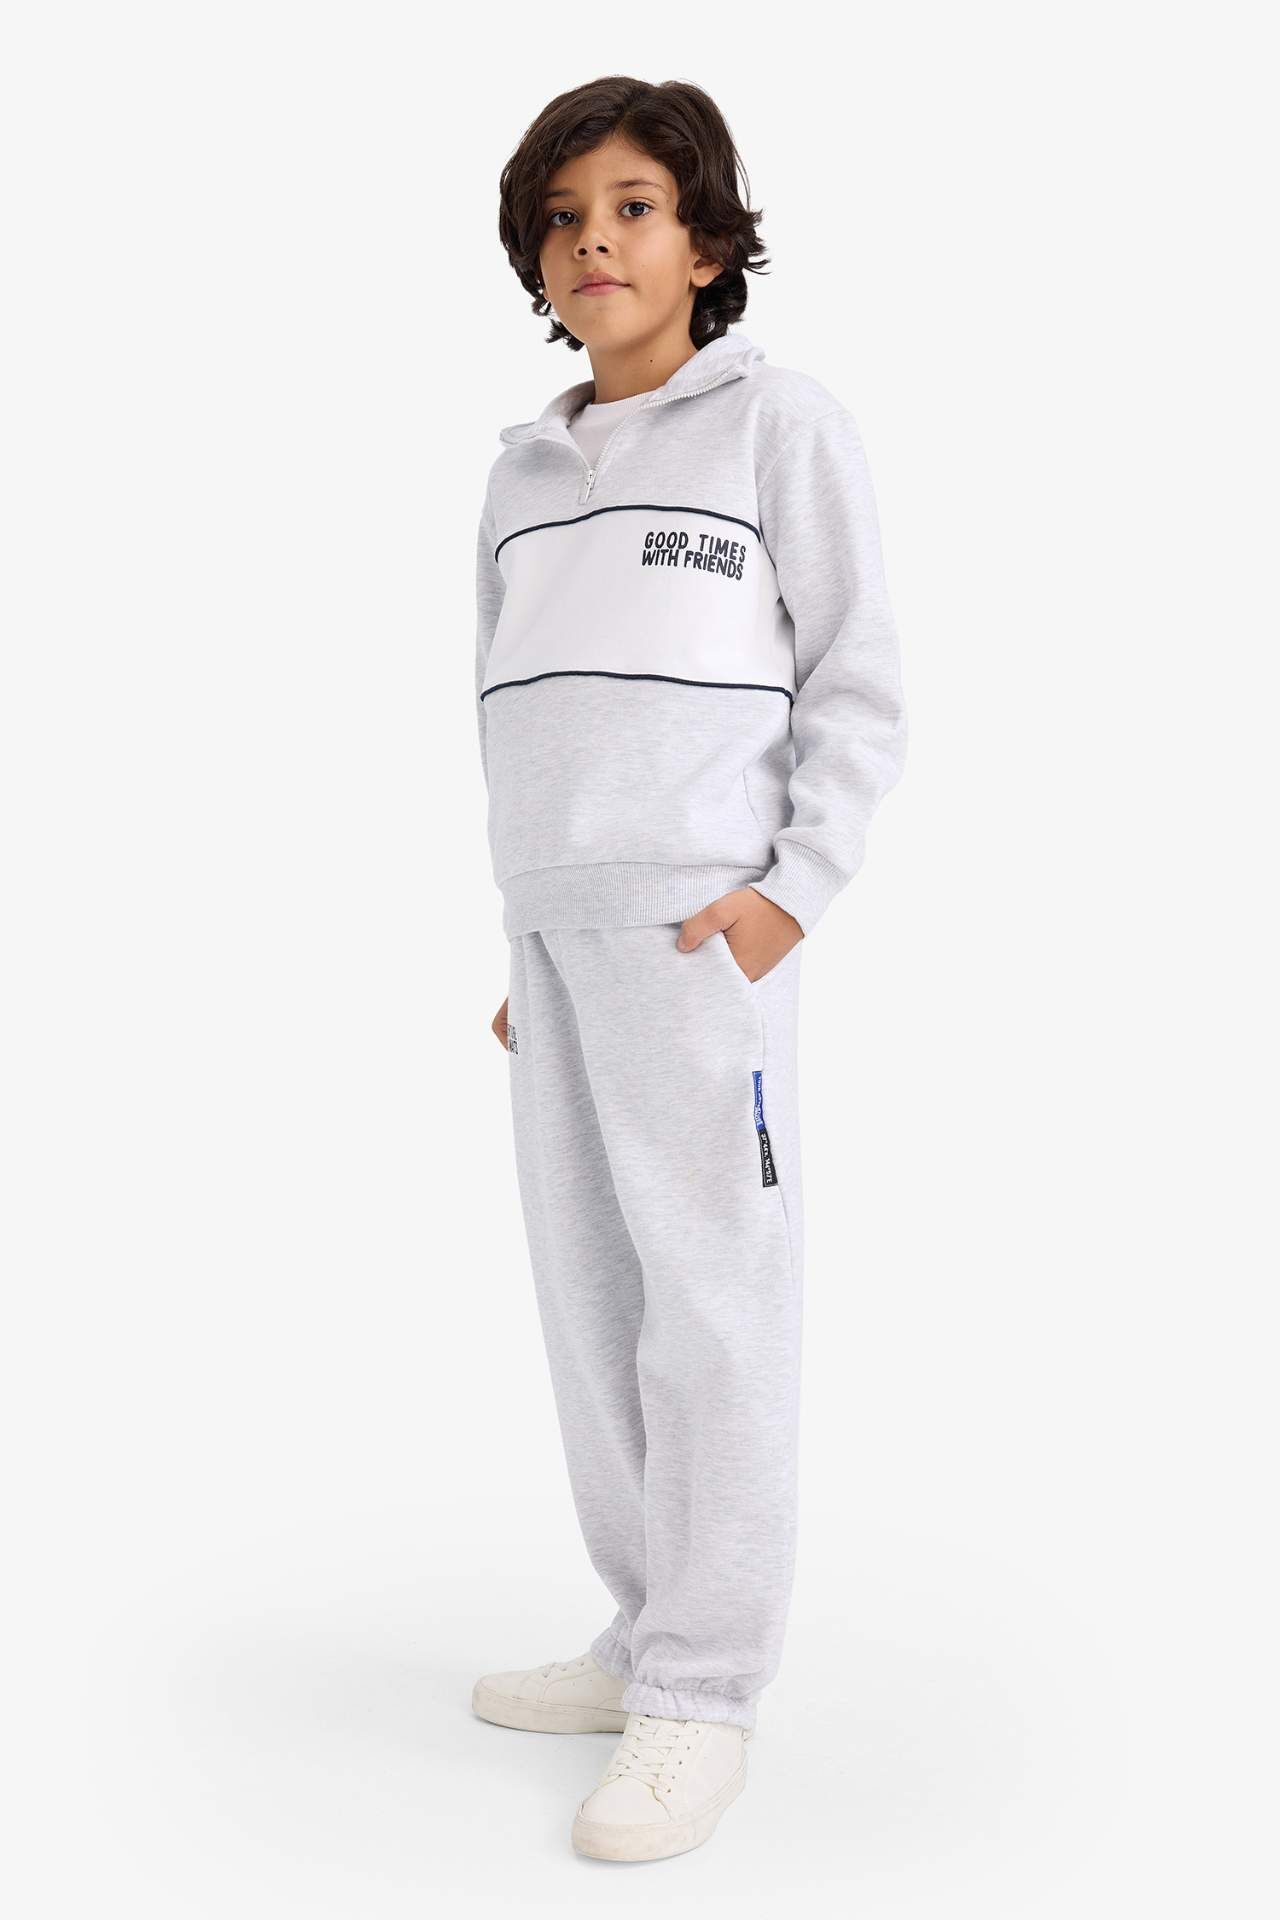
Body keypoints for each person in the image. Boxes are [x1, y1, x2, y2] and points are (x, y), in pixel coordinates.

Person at [469, 75, 907, 1863]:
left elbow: (859, 674)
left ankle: (705, 1695)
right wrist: (530, 929)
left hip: (702, 934)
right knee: (594, 1305)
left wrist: (792, 892)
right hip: (560, 933)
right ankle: (645, 1629)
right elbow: (514, 713)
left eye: (635, 207)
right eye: (565, 217)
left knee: (716, 1305)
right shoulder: (517, 475)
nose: (597, 240)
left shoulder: (775, 427)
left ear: (709, 242)